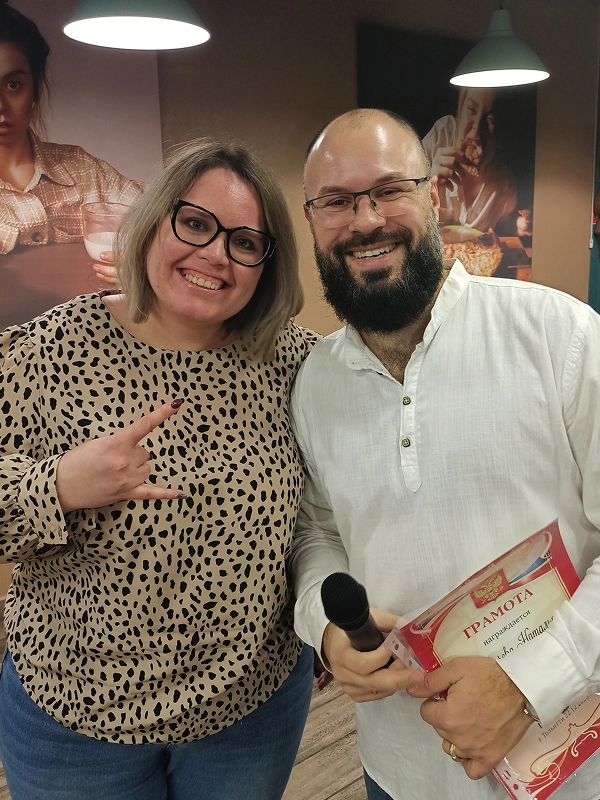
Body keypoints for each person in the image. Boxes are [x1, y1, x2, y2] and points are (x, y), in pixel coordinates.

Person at [290, 108, 600, 800]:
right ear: (311, 219)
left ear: (432, 195)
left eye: (388, 190)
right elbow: (319, 533)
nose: (365, 220)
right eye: (336, 201)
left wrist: (529, 684)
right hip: (398, 768)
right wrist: (327, 627)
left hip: (568, 767)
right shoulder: (315, 384)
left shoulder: (560, 338)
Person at [0, 136, 317, 800]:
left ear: (267, 264)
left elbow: (329, 513)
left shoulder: (296, 364)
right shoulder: (48, 351)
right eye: (195, 223)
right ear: (151, 223)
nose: (215, 255)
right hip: (77, 717)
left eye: (245, 242)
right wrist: (57, 486)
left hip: (250, 710)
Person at [0, 0, 143, 269]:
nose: (0, 105)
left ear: (35, 89)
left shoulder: (83, 171)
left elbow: (163, 219)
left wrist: (144, 263)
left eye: (13, 84)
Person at [423, 87, 517, 233]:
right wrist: (428, 187)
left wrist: (520, 225)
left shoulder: (504, 183)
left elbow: (508, 221)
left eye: (490, 120)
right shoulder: (441, 135)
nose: (475, 131)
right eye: (471, 110)